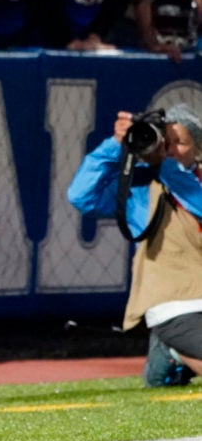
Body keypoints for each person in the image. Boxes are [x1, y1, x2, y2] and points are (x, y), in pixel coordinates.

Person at [68, 107, 202, 388]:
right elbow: (81, 197)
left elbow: (195, 198)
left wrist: (161, 164)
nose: (169, 149)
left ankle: (170, 354)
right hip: (177, 302)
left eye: (179, 142)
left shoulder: (194, 181)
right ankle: (175, 348)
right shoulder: (139, 188)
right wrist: (115, 145)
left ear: (198, 148)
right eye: (163, 140)